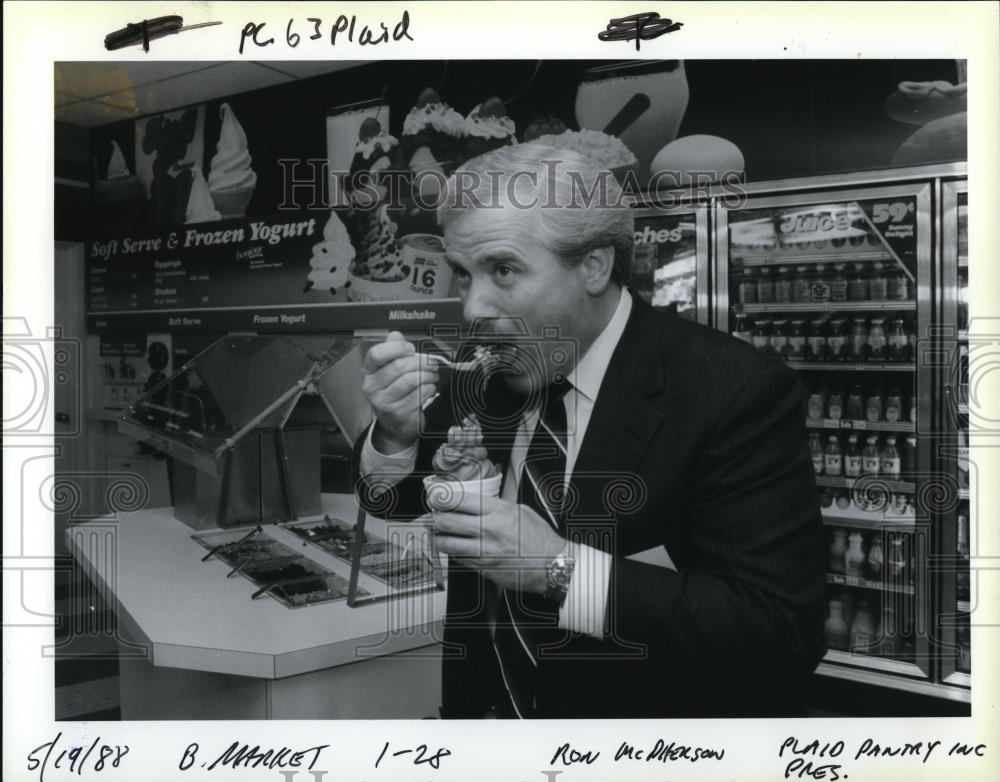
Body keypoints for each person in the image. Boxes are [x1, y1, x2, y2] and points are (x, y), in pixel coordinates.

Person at [354, 143, 826, 719]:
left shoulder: (732, 392)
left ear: (594, 266)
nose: (473, 307)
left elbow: (778, 632)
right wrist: (396, 437)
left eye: (502, 270)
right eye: (462, 274)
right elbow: (400, 502)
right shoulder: (482, 370)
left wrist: (557, 568)